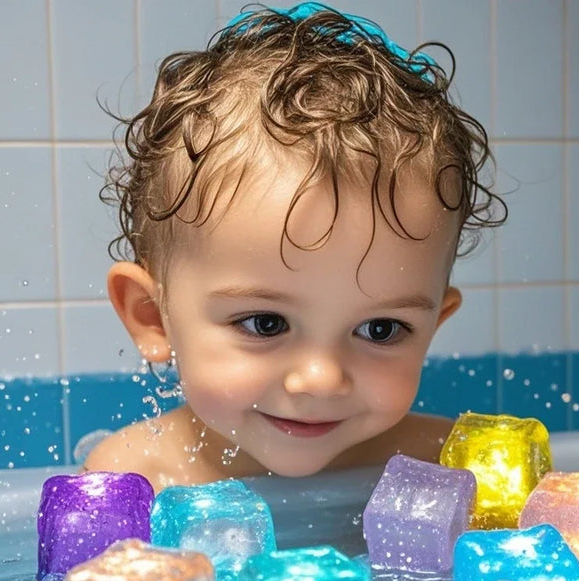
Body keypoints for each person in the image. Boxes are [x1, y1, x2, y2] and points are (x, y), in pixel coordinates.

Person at [85, 2, 506, 491]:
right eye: (266, 323)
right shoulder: (135, 478)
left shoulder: (451, 468)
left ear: (433, 325)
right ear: (153, 316)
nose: (321, 379)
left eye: (382, 329)